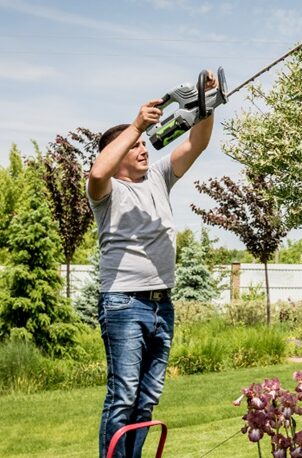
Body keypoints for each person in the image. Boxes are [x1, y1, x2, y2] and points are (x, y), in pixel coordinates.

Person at [86, 71, 218, 458]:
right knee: (123, 395)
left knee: (146, 400)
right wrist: (136, 123)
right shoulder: (107, 192)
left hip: (163, 304)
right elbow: (97, 171)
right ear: (119, 153)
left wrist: (206, 103)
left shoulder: (158, 177)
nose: (144, 149)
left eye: (145, 144)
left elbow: (196, 144)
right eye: (136, 146)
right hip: (124, 304)